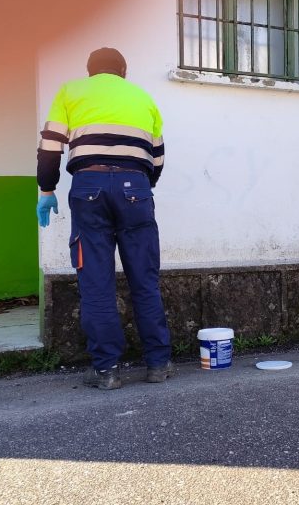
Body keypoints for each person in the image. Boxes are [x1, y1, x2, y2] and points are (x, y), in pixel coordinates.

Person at [35, 47, 175, 390]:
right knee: (144, 280)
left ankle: (106, 370)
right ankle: (158, 363)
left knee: (96, 284)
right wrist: (140, 188)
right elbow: (157, 158)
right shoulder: (144, 98)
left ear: (90, 72)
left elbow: (50, 145)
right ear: (123, 71)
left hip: (89, 187)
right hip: (136, 189)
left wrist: (46, 189)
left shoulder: (71, 92)